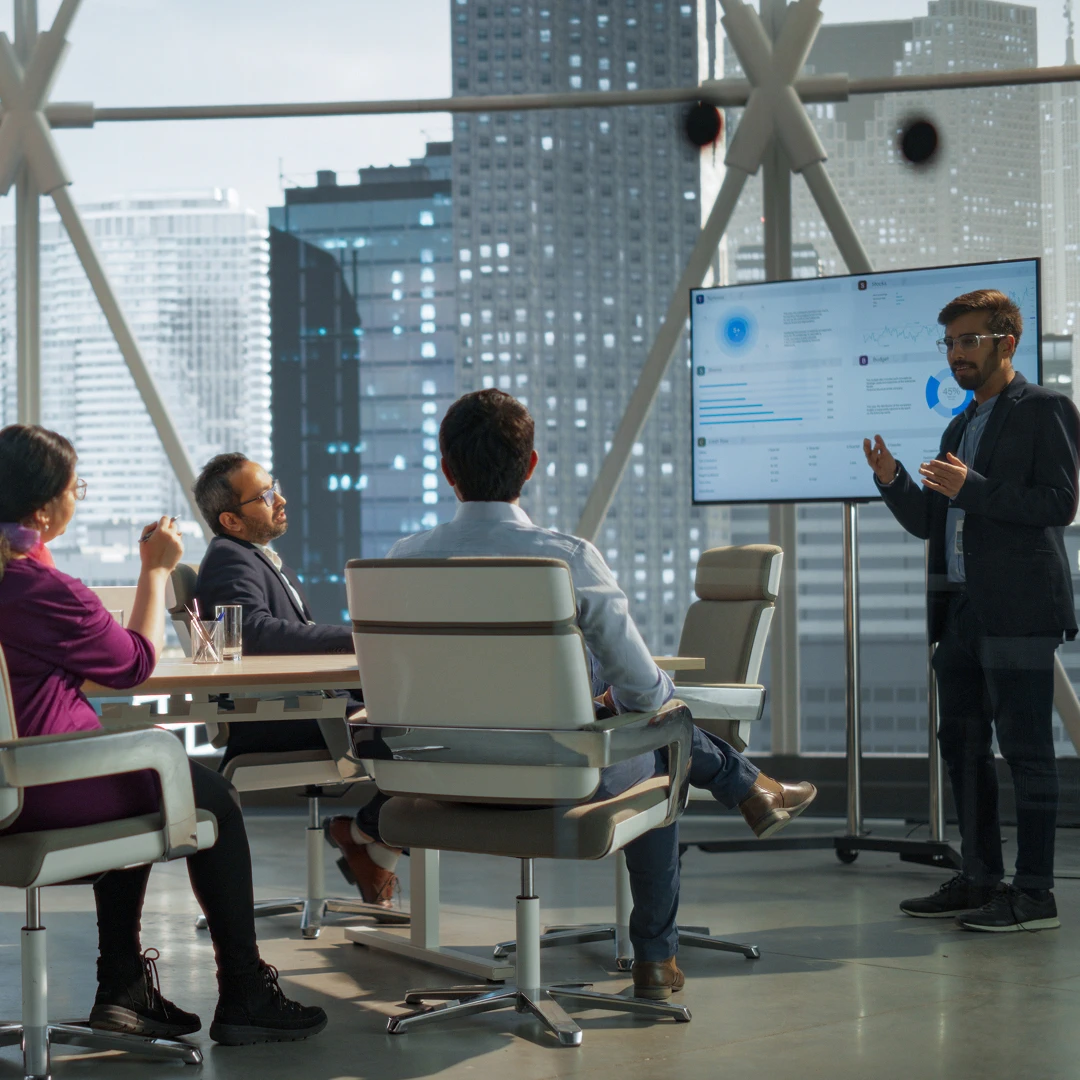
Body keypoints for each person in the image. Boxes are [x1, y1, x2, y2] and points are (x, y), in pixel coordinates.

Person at [383, 389, 817, 999]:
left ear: (447, 468)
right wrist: (617, 705)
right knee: (670, 742)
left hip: (438, 779)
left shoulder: (402, 562)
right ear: (530, 466)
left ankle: (749, 789)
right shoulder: (565, 559)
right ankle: (656, 957)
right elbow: (644, 691)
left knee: (659, 730)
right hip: (556, 778)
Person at [0, 425, 327, 1045]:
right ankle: (244, 993)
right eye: (77, 490)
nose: (79, 499)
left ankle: (123, 987)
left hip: (19, 777)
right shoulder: (41, 589)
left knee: (139, 776)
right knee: (211, 797)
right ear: (44, 509)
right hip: (36, 786)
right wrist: (155, 570)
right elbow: (131, 665)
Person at [863, 289, 1080, 932]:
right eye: (951, 342)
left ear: (1005, 343)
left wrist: (974, 488)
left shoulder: (1046, 409)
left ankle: (1035, 893)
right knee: (960, 747)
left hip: (1017, 608)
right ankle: (982, 876)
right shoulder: (959, 423)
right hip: (957, 608)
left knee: (1026, 750)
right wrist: (894, 481)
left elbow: (1058, 505)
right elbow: (936, 521)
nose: (957, 353)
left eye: (968, 341)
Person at [192, 454, 399, 906]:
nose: (279, 499)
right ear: (231, 519)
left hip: (301, 705)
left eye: (275, 486)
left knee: (419, 716)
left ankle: (368, 837)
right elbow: (253, 632)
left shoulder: (252, 557)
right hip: (282, 716)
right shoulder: (230, 558)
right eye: (265, 496)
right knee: (424, 737)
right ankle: (368, 833)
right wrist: (356, 637)